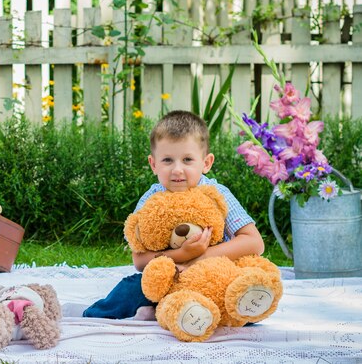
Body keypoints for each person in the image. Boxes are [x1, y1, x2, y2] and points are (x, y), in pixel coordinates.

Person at [83, 110, 265, 320]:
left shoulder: (217, 194)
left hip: (212, 277)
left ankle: (183, 314)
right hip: (167, 278)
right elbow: (140, 261)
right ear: (154, 164)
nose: (177, 170)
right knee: (130, 289)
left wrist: (198, 259)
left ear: (206, 163)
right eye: (167, 160)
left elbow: (254, 242)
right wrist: (181, 256)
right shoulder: (152, 199)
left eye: (188, 160)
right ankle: (93, 316)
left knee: (243, 295)